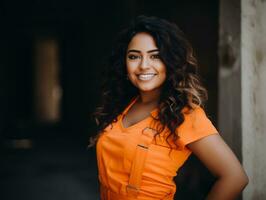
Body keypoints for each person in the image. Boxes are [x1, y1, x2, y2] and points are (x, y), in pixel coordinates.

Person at [91, 15, 248, 200]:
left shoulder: (184, 114)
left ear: (170, 61)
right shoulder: (124, 105)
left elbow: (235, 177)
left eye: (155, 56)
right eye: (134, 56)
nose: (143, 65)